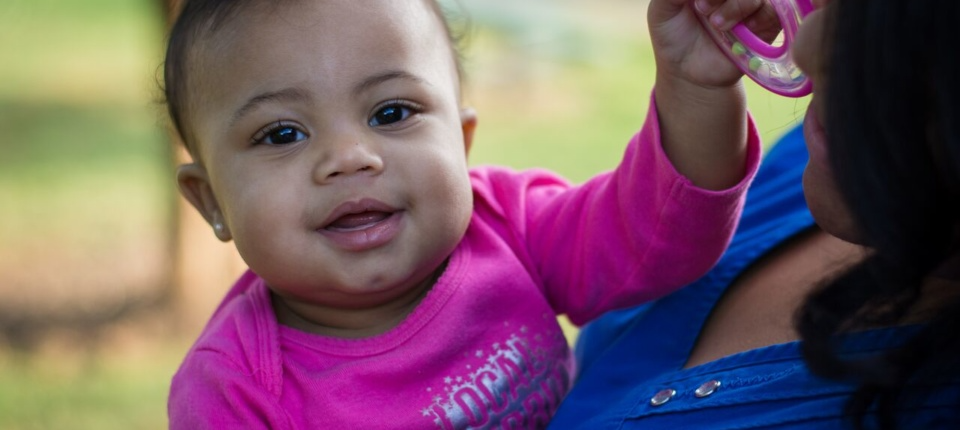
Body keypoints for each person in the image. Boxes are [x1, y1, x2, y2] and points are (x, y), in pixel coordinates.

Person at [161, 0, 765, 428]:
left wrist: (696, 88)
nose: (348, 158)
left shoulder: (503, 224)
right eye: (282, 132)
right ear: (212, 201)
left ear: (462, 141)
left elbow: (658, 232)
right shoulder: (232, 393)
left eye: (391, 113)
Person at [549, 0, 960, 428]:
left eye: (916, 46)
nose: (806, 47)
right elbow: (616, 250)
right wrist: (695, 93)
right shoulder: (828, 159)